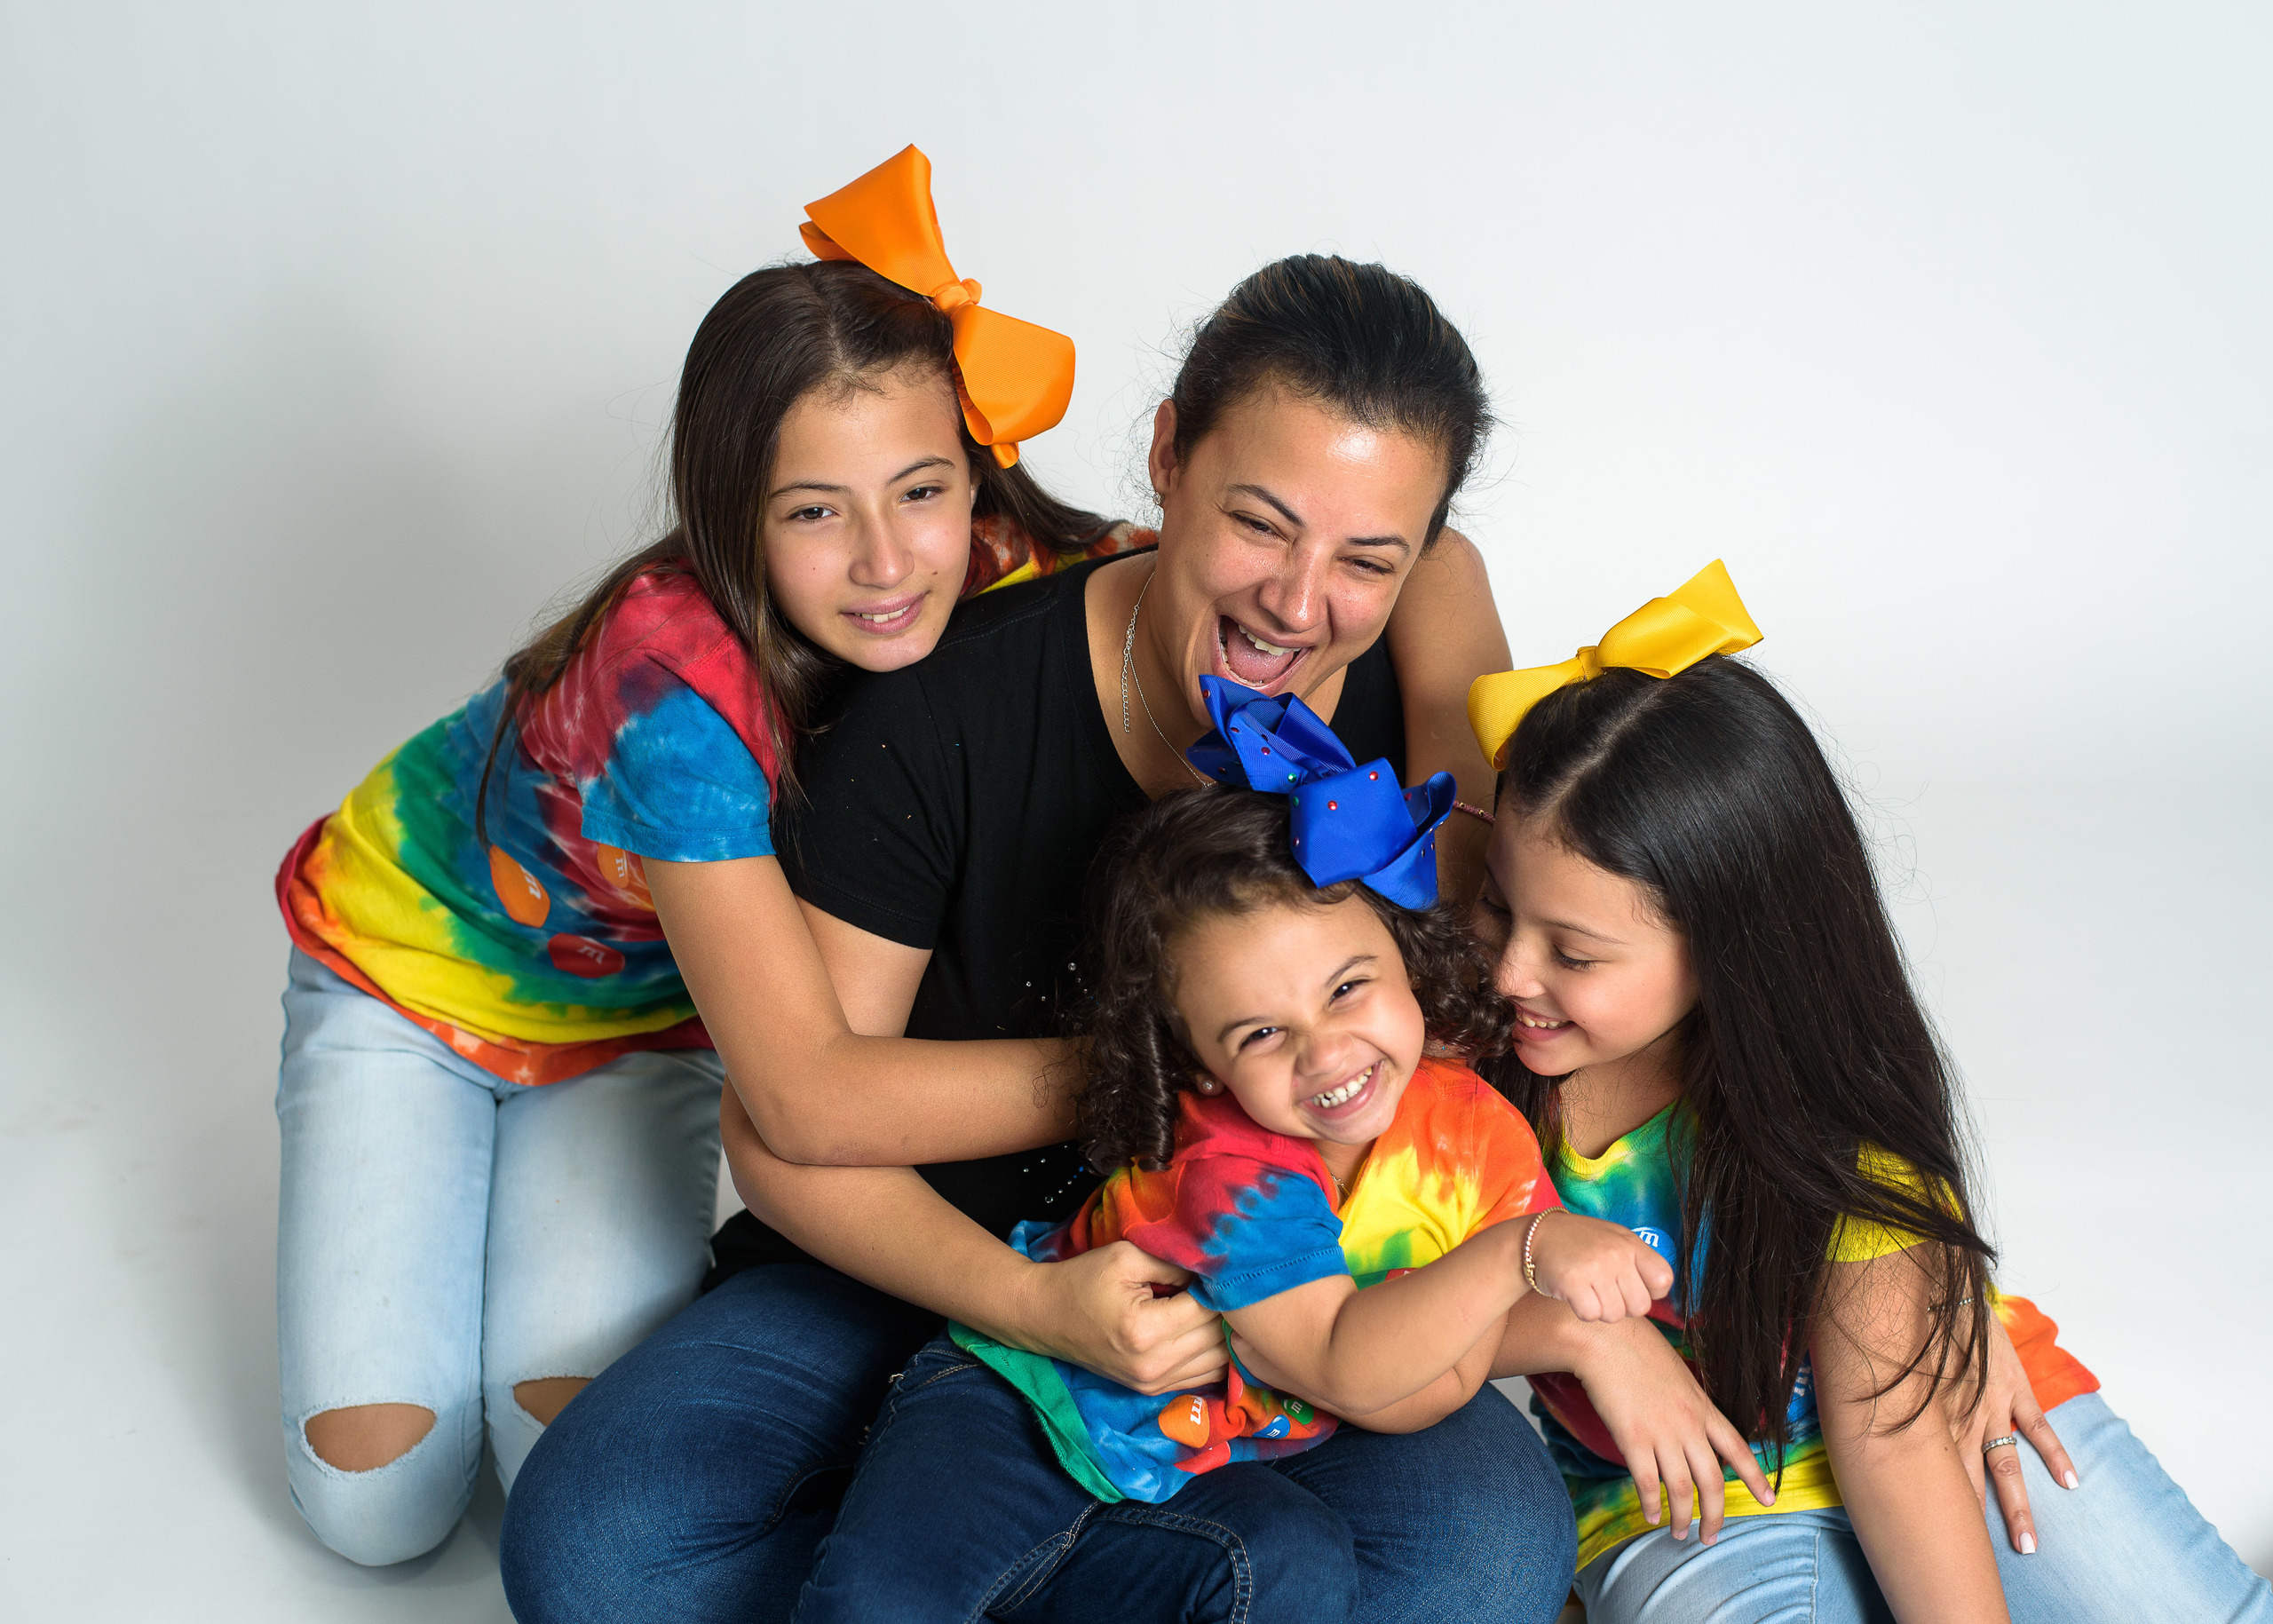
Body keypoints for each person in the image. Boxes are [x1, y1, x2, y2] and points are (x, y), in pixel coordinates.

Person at [500, 254, 1573, 1624]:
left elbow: (1493, 945)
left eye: (1371, 555)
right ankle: (1115, 1557)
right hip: (922, 1277)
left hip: (1288, 1299)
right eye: (1263, 523)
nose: (1301, 605)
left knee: (1489, 1560)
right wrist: (1037, 1291)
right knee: (599, 1553)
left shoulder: (1405, 689)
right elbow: (784, 1138)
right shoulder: (935, 717)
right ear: (1168, 453)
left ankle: (1071, 1561)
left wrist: (1438, 624)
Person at [269, 145, 1154, 1565]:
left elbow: (1188, 589)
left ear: (975, 479)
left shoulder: (993, 564)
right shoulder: (672, 690)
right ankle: (398, 1158)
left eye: (920, 491)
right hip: (411, 986)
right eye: (815, 511)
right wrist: (1151, 1062)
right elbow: (804, 1090)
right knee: (384, 1504)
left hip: (639, 1034)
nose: (885, 559)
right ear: (732, 512)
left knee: (558, 1441)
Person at [1463, 564, 2273, 1622]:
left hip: (1948, 1412)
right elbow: (1384, 1309)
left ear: (1725, 950)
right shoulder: (1452, 1050)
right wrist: (1580, 1337)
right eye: (1494, 904)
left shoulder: (1822, 1121)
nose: (1511, 972)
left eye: (1574, 953)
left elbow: (1891, 1438)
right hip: (1690, 1496)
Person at [790, 684, 1675, 1621]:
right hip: (1012, 1412)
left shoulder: (1471, 1128)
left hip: (1184, 1461)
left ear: (1408, 958)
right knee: (880, 1602)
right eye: (1259, 1033)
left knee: (1287, 1564)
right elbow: (1350, 1363)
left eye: (1347, 987)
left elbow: (1434, 1374)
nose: (1324, 1051)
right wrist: (1520, 1252)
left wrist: (1569, 1315)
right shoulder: (1230, 1170)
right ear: (1198, 1068)